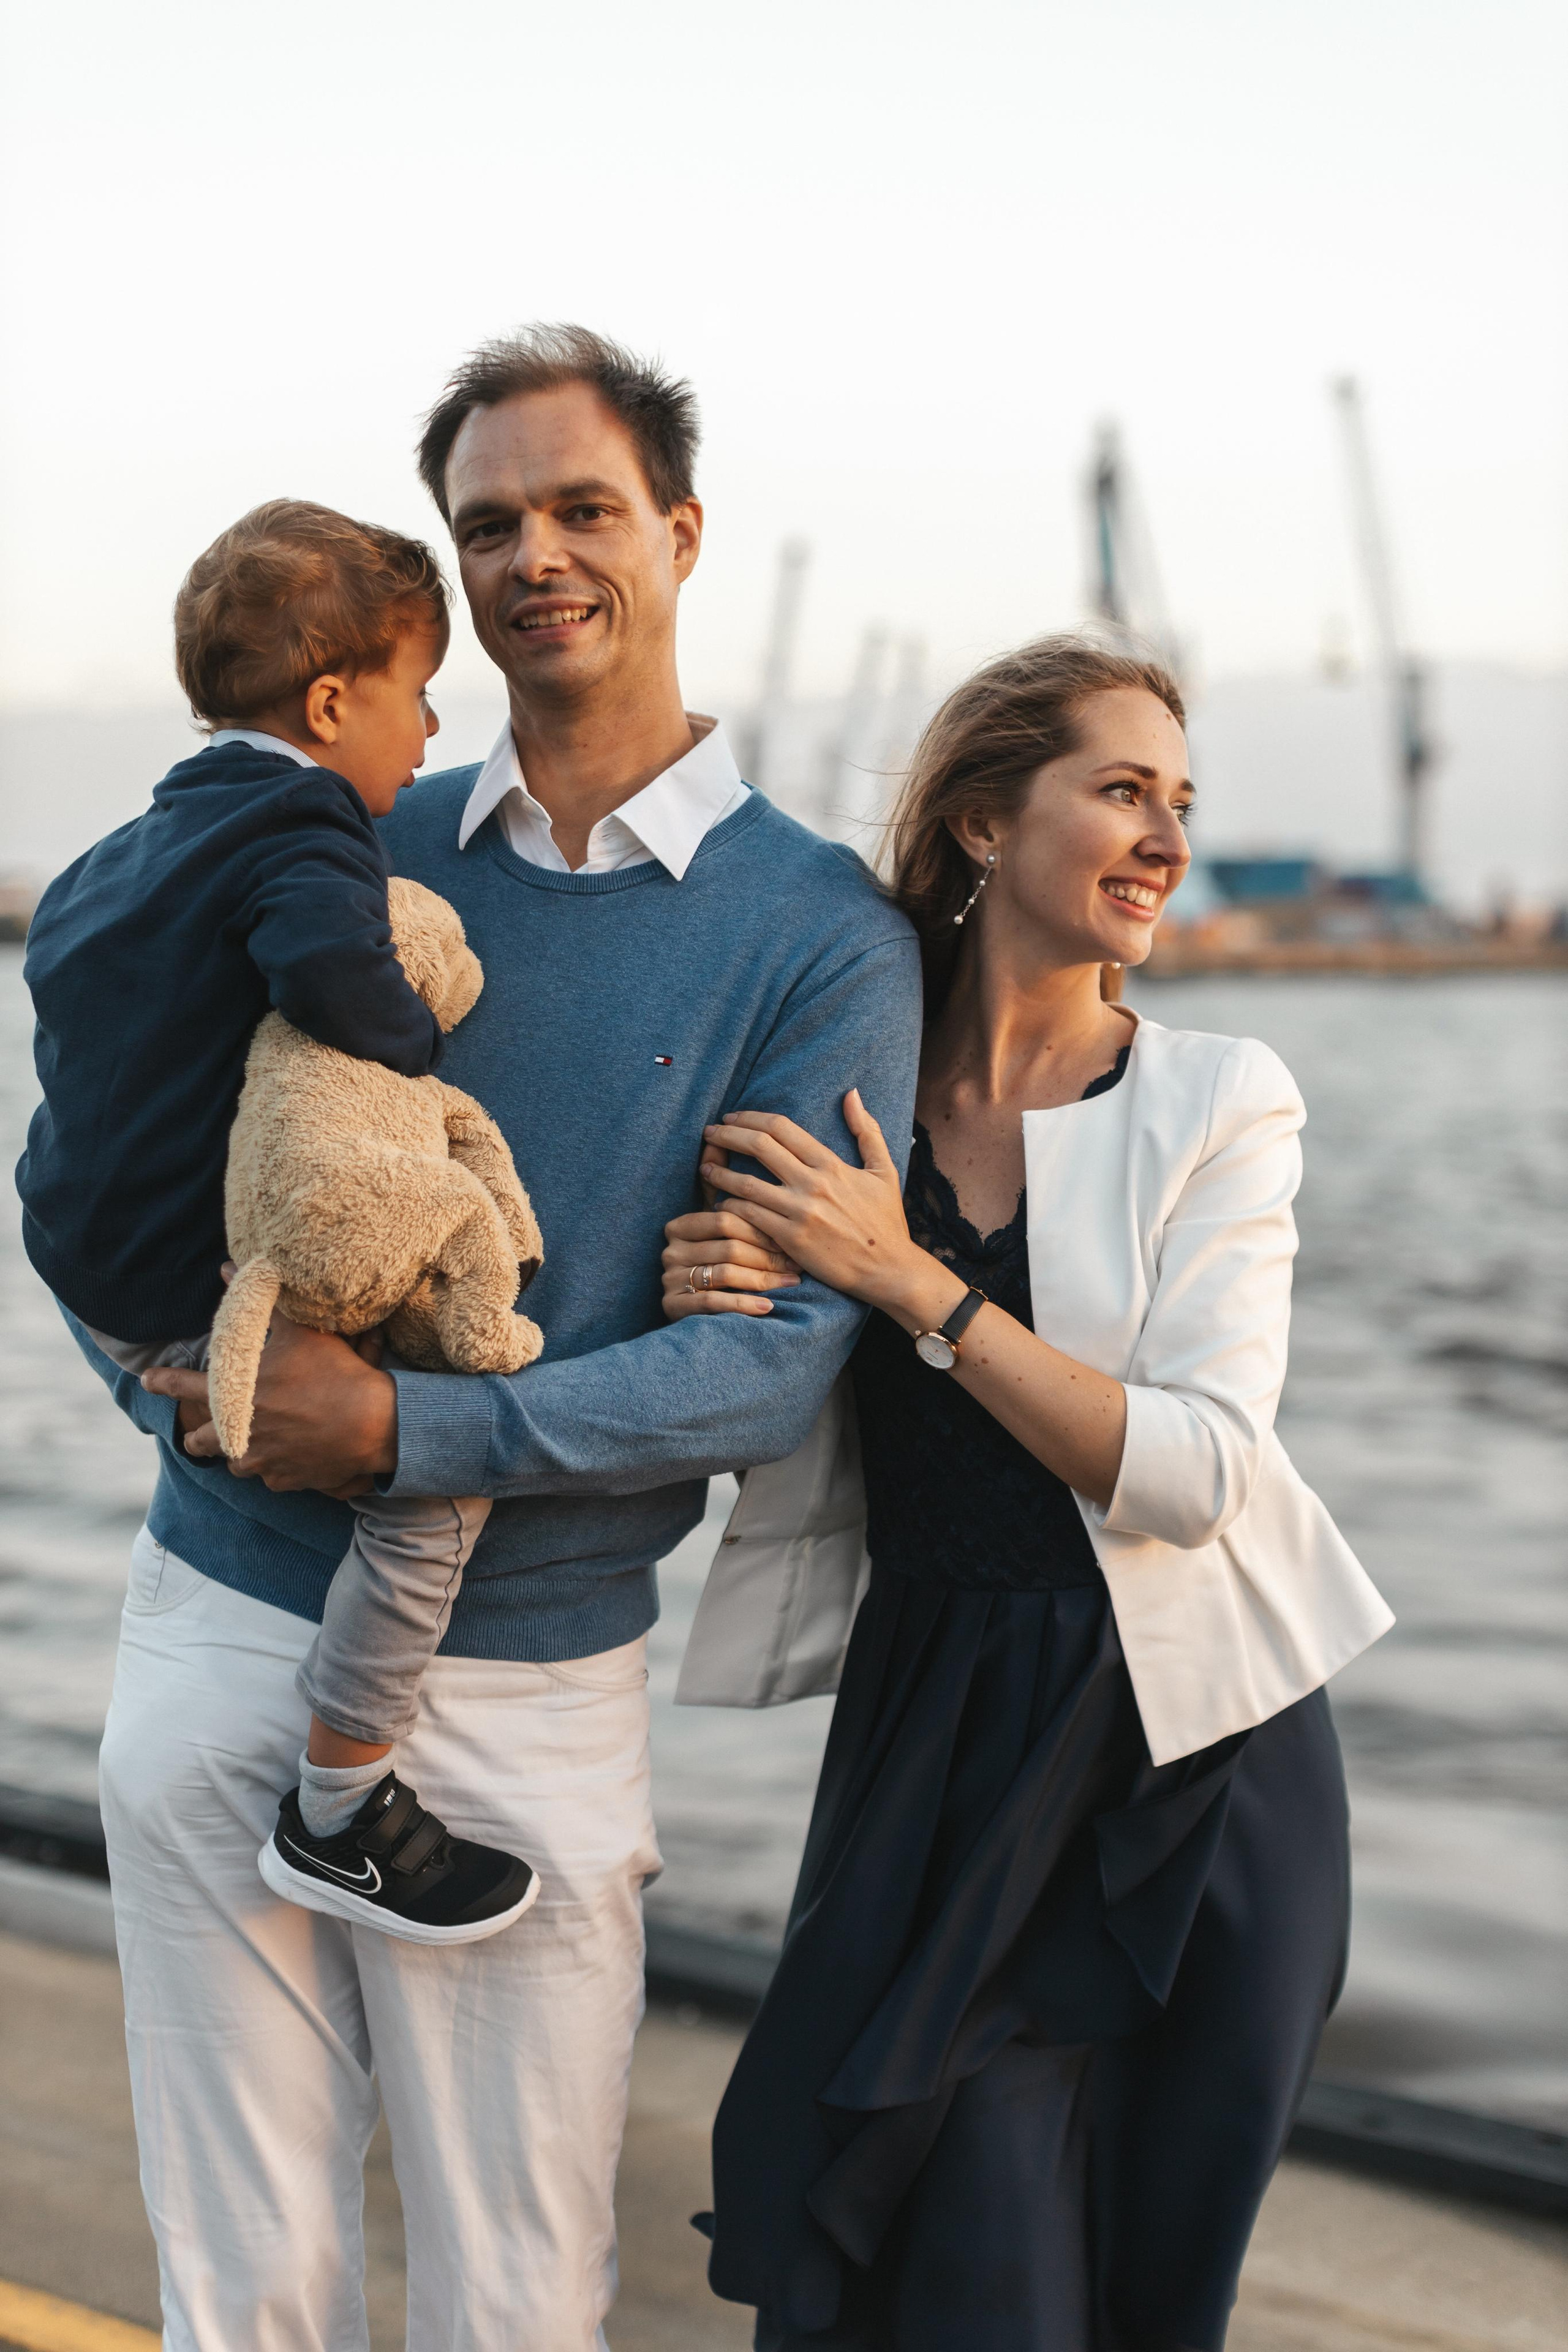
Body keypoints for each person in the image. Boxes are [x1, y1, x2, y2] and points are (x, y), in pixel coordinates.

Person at [76, 325, 922, 2351]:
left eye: (583, 509)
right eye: (488, 526)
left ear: (682, 533)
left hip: (531, 1697)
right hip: (212, 1632)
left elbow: (769, 1365)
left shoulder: (818, 935)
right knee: (238, 2282)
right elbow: (116, 1157)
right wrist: (179, 1391)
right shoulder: (331, 832)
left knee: (514, 2299)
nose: (534, 553)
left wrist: (390, 1428)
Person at [660, 636, 1393, 2350]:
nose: (1165, 838)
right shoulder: (844, 1074)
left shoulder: (1220, 1099)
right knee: (936, 2241)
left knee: (1137, 2288)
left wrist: (913, 1283)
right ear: (987, 820)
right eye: (1122, 790)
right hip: (937, 1730)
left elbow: (1200, 1469)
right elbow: (727, 1355)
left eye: (1181, 803)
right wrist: (703, 1289)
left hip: (1194, 1764)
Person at [18, 497, 546, 1945]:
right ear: (331, 703)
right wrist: (412, 1036)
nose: (432, 734)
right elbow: (327, 966)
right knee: (434, 1493)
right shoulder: (307, 816)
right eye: (418, 695)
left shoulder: (137, 841)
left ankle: (173, 1397)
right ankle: (341, 1809)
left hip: (75, 1248)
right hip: (187, 1283)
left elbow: (61, 969)